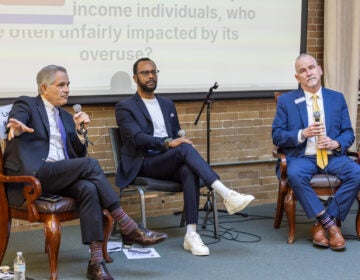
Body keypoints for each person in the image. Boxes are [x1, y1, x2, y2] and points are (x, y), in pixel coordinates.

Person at [4, 65, 168, 280]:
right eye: (61, 85)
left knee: (88, 187)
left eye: (68, 85)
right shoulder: (28, 104)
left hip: (56, 175)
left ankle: (96, 262)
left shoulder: (64, 116)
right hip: (33, 176)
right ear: (44, 87)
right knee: (90, 165)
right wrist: (16, 124)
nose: (66, 90)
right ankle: (127, 224)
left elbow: (77, 155)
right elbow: (18, 115)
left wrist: (81, 132)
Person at [115, 57, 255, 256]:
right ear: (135, 77)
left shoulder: (166, 104)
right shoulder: (125, 106)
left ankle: (191, 234)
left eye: (154, 72)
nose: (151, 76)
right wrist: (167, 143)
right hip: (144, 162)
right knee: (183, 150)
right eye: (145, 73)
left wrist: (179, 141)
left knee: (188, 167)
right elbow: (136, 138)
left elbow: (176, 134)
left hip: (167, 160)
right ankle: (227, 194)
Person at [272, 53, 360, 250]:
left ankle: (322, 224)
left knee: (357, 173)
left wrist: (336, 143)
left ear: (319, 70)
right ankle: (331, 226)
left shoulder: (336, 98)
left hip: (332, 157)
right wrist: (302, 133)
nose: (308, 73)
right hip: (303, 157)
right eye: (302, 71)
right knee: (294, 174)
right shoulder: (287, 101)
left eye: (311, 67)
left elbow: (348, 133)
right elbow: (277, 135)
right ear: (297, 77)